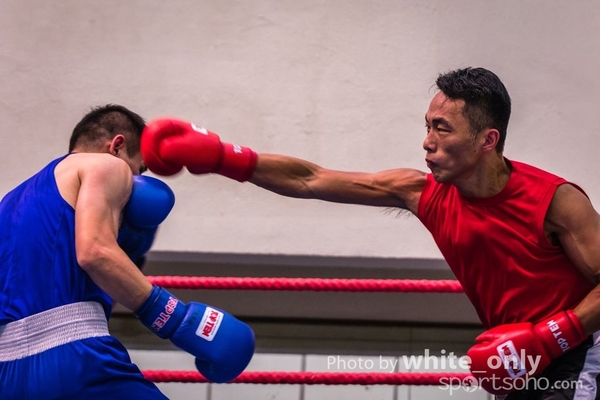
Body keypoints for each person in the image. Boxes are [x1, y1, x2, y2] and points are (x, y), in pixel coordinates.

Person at [141, 67, 600, 399]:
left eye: (442, 129)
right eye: (427, 126)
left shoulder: (554, 200)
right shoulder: (423, 193)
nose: (427, 141)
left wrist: (554, 336)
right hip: (518, 355)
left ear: (488, 140)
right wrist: (224, 158)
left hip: (581, 346)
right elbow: (311, 179)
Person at [0, 105, 255, 400]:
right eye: (140, 169)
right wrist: (174, 319)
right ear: (117, 146)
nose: (135, 178)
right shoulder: (107, 165)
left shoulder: (10, 201)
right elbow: (95, 252)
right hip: (76, 358)